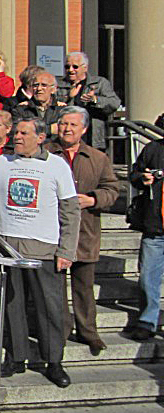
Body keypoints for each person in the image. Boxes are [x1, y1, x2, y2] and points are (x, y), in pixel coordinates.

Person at [0, 116, 79, 388]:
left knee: (50, 308)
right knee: (12, 305)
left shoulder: (56, 166)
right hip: (9, 248)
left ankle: (53, 361)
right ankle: (16, 357)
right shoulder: (0, 163)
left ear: (40, 138)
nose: (17, 137)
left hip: (45, 250)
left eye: (24, 133)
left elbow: (71, 211)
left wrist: (67, 250)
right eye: (16, 132)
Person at [46, 107, 120, 354]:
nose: (66, 129)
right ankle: (61, 330)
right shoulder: (47, 153)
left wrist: (93, 199)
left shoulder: (98, 158)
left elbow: (112, 189)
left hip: (86, 231)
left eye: (73, 125)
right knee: (56, 288)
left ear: (84, 130)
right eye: (63, 124)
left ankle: (89, 332)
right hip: (53, 231)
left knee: (84, 286)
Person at [126, 132, 164, 341]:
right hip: (155, 227)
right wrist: (142, 178)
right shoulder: (153, 149)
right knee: (148, 278)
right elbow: (134, 175)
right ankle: (147, 322)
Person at [56, 51, 121, 150]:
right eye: (67, 67)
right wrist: (68, 97)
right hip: (67, 136)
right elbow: (52, 108)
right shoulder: (59, 85)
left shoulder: (99, 83)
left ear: (85, 68)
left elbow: (114, 103)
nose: (70, 70)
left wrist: (95, 100)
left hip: (93, 136)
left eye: (75, 67)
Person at [12, 68, 62, 136]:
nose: (39, 89)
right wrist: (49, 129)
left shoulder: (62, 110)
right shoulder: (21, 109)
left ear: (53, 89)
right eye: (36, 85)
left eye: (44, 85)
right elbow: (16, 130)